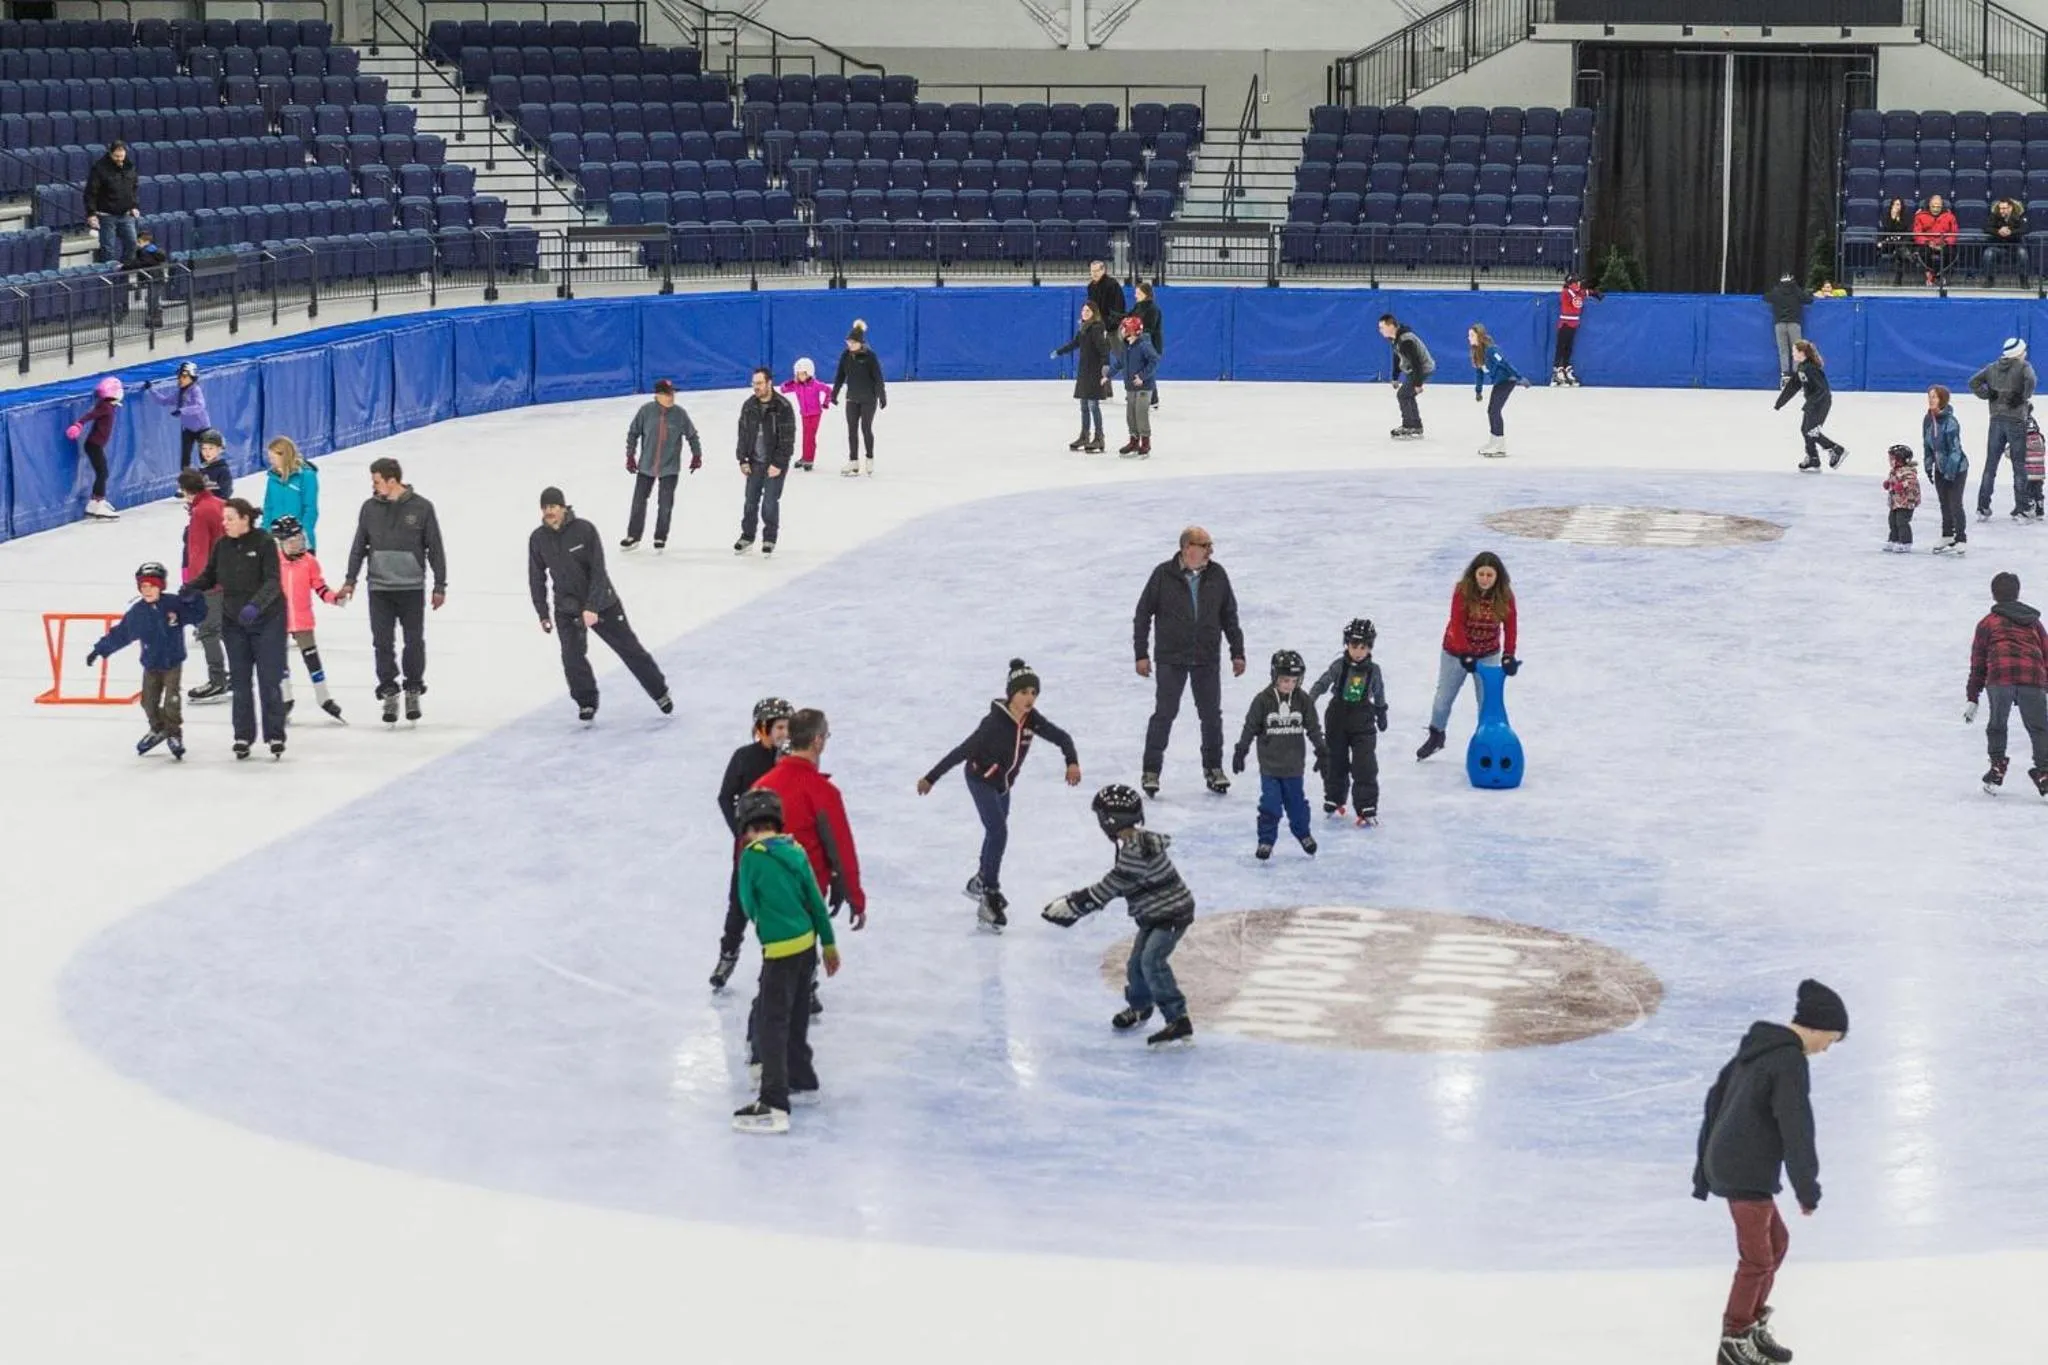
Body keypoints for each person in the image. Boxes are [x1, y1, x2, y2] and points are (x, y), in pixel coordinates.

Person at [1692, 979, 1847, 1365]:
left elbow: (1716, 1100)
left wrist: (1704, 1168)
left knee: (1776, 1244)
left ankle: (1751, 1327)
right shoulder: (1787, 1060)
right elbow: (1796, 1127)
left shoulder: (1759, 1051)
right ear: (1815, 1026)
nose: (1827, 1048)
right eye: (1831, 1039)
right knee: (1757, 1259)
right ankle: (1733, 1339)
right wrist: (1806, 1189)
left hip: (1734, 1161)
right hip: (1745, 1168)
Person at [917, 658, 1082, 931]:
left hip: (1003, 784)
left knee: (995, 832)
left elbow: (1062, 738)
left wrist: (1071, 762)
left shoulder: (1032, 719)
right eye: (1023, 693)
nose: (1030, 699)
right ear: (1011, 694)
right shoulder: (993, 724)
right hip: (980, 779)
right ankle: (989, 894)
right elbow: (962, 750)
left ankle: (982, 879)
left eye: (1034, 693)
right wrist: (931, 778)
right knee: (998, 832)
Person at [1041, 784, 1197, 1049]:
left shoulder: (1136, 852)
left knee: (1151, 962)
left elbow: (1110, 887)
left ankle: (1178, 1019)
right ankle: (1140, 1007)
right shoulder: (1133, 844)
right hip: (1153, 915)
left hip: (1171, 915)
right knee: (1136, 965)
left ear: (1109, 821)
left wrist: (1074, 905)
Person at [728, 788, 841, 1135]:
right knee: (796, 1018)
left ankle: (774, 1102)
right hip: (807, 948)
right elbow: (815, 900)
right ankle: (802, 1079)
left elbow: (746, 903)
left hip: (778, 951)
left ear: (747, 826)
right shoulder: (796, 850)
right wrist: (829, 944)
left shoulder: (751, 857)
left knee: (770, 1024)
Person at [528, 486, 671, 723]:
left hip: (602, 603)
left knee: (630, 649)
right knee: (571, 657)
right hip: (567, 607)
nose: (548, 511)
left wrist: (593, 606)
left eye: (553, 506)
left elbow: (598, 570)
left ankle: (660, 692)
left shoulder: (584, 530)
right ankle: (586, 702)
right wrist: (543, 613)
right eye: (544, 508)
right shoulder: (538, 539)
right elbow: (536, 577)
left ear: (564, 507)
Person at [1133, 525, 1247, 797]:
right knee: (1165, 713)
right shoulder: (1163, 574)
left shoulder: (1217, 574)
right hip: (1171, 658)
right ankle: (1151, 771)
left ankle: (1213, 769)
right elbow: (1142, 614)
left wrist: (1237, 651)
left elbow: (1229, 615)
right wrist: (1141, 654)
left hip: (1206, 657)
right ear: (1187, 548)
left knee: (1211, 716)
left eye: (1210, 544)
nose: (1210, 550)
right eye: (1205, 544)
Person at [334, 457, 448, 726]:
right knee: (382, 642)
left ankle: (413, 688)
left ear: (392, 481)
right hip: (379, 588)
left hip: (411, 587)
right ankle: (388, 690)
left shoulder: (422, 508)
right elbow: (358, 546)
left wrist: (439, 585)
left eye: (376, 481)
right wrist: (350, 580)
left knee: (414, 641)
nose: (373, 486)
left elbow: (436, 548)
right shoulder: (369, 508)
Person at [186, 496, 287, 760]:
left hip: (268, 621)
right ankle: (243, 735)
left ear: (245, 519)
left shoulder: (264, 543)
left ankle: (275, 733)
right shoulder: (222, 546)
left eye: (230, 519)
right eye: (224, 519)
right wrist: (191, 588)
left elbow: (273, 581)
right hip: (234, 623)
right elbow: (211, 575)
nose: (225, 523)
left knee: (269, 680)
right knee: (241, 682)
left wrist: (256, 606)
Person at [755, 708, 868, 936]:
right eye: (825, 736)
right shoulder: (823, 792)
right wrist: (855, 899)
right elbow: (841, 850)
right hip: (803, 895)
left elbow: (745, 846)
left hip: (766, 894)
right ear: (817, 740)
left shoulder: (761, 786)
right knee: (797, 964)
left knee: (778, 957)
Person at [711, 697, 795, 991]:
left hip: (783, 852)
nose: (785, 733)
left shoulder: (793, 761)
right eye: (779, 727)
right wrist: (739, 831)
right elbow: (725, 796)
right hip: (748, 853)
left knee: (780, 911)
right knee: (739, 906)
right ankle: (728, 954)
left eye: (788, 727)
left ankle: (782, 970)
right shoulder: (744, 758)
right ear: (762, 728)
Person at [82, 561, 207, 761]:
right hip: (151, 663)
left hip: (173, 662)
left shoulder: (173, 605)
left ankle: (174, 734)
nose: (147, 591)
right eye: (143, 587)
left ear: (161, 586)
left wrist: (195, 598)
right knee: (148, 702)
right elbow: (121, 634)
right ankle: (158, 728)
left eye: (152, 586)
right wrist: (99, 650)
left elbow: (199, 615)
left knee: (171, 701)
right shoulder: (138, 613)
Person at [1418, 551, 1519, 761]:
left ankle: (1486, 741)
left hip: (1488, 653)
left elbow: (1511, 626)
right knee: (1443, 700)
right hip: (1455, 652)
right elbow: (1456, 622)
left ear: (1497, 576)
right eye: (1481, 574)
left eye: (1489, 575)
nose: (1484, 579)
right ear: (1474, 574)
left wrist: (1508, 655)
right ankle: (1436, 734)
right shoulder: (1462, 591)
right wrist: (1464, 652)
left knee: (1487, 703)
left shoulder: (1505, 596)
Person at [1232, 649, 1326, 862]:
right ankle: (1266, 840)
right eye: (1285, 680)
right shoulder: (1262, 701)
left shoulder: (1303, 701)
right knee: (1270, 805)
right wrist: (1241, 749)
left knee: (1297, 805)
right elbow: (1250, 727)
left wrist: (1322, 749)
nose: (1289, 685)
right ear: (1275, 676)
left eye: (1294, 680)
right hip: (1271, 768)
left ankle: (1303, 834)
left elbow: (1313, 727)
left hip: (1294, 768)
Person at [1965, 570, 2048, 796]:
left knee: (1997, 725)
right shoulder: (2033, 622)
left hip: (2000, 678)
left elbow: (1978, 663)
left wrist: (1973, 697)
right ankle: (2044, 772)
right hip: (2033, 678)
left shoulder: (1987, 623)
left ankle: (1997, 767)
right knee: (2040, 728)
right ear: (2017, 593)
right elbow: (2046, 653)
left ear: (1994, 595)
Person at [1309, 617, 1388, 826]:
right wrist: (1309, 701)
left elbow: (1379, 691)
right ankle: (1334, 797)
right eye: (1354, 646)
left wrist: (1381, 711)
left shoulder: (1374, 670)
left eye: (1363, 647)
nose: (1358, 652)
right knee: (1336, 761)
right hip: (1337, 717)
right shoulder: (1338, 666)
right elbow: (1322, 683)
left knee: (1365, 763)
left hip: (1363, 719)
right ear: (1347, 645)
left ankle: (1366, 805)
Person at [270, 514, 346, 723]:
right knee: (280, 662)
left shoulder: (309, 562)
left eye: (300, 540)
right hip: (278, 620)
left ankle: (324, 697)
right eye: (292, 542)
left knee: (312, 659)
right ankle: (286, 699)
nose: (298, 545)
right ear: (280, 543)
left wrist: (334, 598)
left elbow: (320, 586)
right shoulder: (273, 562)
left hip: (303, 619)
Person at [620, 378, 702, 550]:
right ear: (657, 395)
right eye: (667, 394)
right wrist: (630, 455)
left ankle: (660, 537)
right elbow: (633, 433)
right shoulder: (646, 411)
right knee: (638, 502)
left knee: (665, 504)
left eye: (672, 393)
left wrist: (696, 455)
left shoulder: (679, 414)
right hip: (646, 466)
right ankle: (633, 535)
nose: (671, 397)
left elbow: (692, 435)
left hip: (670, 468)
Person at [175, 468, 230, 703]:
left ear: (187, 491)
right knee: (227, 629)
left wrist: (193, 585)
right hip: (232, 577)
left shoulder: (200, 512)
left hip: (213, 583)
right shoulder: (220, 503)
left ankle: (217, 680)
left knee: (208, 631)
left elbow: (198, 554)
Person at [1970, 337, 2037, 522]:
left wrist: (1987, 394)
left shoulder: (1992, 368)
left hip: (1996, 420)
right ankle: (2022, 509)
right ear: (2018, 353)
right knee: (2019, 466)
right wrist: (2023, 397)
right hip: (2016, 421)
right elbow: (2031, 380)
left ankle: (1982, 507)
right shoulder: (2024, 367)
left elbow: (1973, 382)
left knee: (1990, 466)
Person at [734, 366, 797, 556]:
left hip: (774, 464)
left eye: (760, 383)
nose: (756, 387)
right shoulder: (749, 406)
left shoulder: (783, 407)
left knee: (769, 502)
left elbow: (788, 440)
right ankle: (747, 536)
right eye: (754, 384)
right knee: (750, 502)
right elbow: (743, 434)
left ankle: (769, 538)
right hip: (754, 462)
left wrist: (778, 463)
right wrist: (742, 459)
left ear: (769, 383)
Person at [1774, 340, 1847, 472]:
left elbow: (1822, 390)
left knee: (1811, 431)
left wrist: (1810, 404)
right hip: (1813, 403)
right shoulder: (1802, 367)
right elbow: (1792, 386)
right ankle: (1813, 458)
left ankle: (1836, 449)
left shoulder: (1811, 369)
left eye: (1794, 351)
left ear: (1802, 353)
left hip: (1821, 402)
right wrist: (1780, 403)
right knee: (1805, 430)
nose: (1792, 354)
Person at [1051, 300, 1112, 453]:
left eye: (1088, 311)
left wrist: (1105, 365)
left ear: (1094, 313)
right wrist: (1059, 351)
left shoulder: (1097, 328)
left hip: (1094, 371)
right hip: (1084, 371)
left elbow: (1104, 349)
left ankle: (1099, 437)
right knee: (1084, 405)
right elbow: (1074, 343)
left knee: (1093, 405)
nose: (1085, 313)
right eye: (1083, 311)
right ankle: (1084, 435)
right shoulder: (1084, 328)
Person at [829, 319, 886, 477]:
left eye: (853, 342)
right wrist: (834, 394)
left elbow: (878, 377)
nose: (850, 345)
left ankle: (869, 458)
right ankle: (853, 462)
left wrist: (882, 395)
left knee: (866, 429)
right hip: (852, 399)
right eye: (848, 342)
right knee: (851, 430)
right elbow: (840, 376)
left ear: (860, 342)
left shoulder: (870, 356)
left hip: (868, 399)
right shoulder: (846, 355)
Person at [1924, 384, 1972, 555]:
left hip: (1957, 468)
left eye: (1934, 397)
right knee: (1944, 503)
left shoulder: (1951, 422)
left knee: (1955, 503)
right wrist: (1928, 464)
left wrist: (1950, 472)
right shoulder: (1928, 419)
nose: (1931, 400)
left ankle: (1960, 538)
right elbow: (1928, 445)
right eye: (1929, 396)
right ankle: (1947, 535)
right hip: (1940, 468)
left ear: (1942, 400)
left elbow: (1955, 450)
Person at [66, 376, 123, 520]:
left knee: (102, 472)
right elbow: (90, 415)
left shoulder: (109, 405)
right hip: (94, 445)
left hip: (95, 445)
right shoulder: (105, 406)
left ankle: (95, 502)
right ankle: (97, 503)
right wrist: (79, 424)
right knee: (103, 473)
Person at [1470, 323, 1528, 458]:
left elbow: (1504, 363)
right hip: (1499, 382)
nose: (1469, 338)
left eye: (1472, 335)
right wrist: (1478, 391)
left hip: (1508, 380)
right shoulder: (1476, 352)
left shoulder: (1491, 350)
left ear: (1480, 336)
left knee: (1494, 410)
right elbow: (1479, 373)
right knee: (1492, 410)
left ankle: (1500, 445)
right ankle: (1494, 441)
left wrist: (1520, 377)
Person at [1107, 313, 1160, 458]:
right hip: (1130, 387)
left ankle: (1145, 442)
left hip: (1144, 387)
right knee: (1130, 415)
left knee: (1141, 413)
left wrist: (1142, 376)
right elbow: (1119, 363)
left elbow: (1154, 360)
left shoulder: (1144, 345)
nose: (1122, 332)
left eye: (1125, 329)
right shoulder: (1126, 347)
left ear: (1133, 330)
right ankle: (1133, 440)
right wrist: (1107, 376)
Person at [144, 361, 211, 469]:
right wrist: (151, 389)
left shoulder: (195, 390)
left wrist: (182, 411)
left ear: (192, 377)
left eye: (184, 376)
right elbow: (164, 401)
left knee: (205, 457)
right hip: (188, 429)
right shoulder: (179, 392)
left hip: (202, 429)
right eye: (179, 376)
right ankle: (186, 481)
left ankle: (211, 479)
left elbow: (200, 406)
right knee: (185, 459)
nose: (180, 379)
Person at [83, 139, 140, 266]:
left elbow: (134, 188)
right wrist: (91, 214)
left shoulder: (129, 167)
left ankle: (125, 271)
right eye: (116, 156)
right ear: (110, 153)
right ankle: (110, 276)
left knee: (132, 243)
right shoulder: (99, 168)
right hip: (106, 215)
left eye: (122, 156)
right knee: (108, 248)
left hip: (126, 214)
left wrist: (134, 205)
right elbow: (90, 192)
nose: (120, 159)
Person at [260, 436, 320, 550]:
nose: (270, 461)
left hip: (299, 540)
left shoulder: (307, 476)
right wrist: (265, 532)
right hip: (277, 540)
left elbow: (310, 510)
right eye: (269, 457)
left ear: (284, 455)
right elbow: (268, 507)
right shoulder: (272, 478)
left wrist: (301, 535)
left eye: (273, 457)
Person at [1380, 313, 1434, 439]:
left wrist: (1418, 383)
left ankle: (1409, 426)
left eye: (1382, 327)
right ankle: (1416, 426)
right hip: (1415, 370)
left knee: (1403, 394)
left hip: (1421, 369)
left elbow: (1416, 362)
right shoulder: (1396, 339)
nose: (1380, 330)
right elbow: (1397, 357)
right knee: (1407, 395)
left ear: (1391, 326)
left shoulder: (1405, 340)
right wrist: (1395, 377)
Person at [779, 358, 832, 472]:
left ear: (809, 373)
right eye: (798, 374)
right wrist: (791, 382)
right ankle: (804, 457)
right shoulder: (797, 385)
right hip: (805, 414)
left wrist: (826, 403)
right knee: (805, 435)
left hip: (815, 414)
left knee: (810, 436)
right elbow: (783, 389)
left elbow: (829, 390)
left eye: (803, 374)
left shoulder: (816, 384)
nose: (800, 376)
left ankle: (809, 459)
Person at [1552, 272, 1598, 385]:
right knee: (1561, 347)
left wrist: (1594, 293)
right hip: (1565, 324)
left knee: (1569, 348)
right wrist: (1574, 287)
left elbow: (1586, 293)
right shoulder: (1566, 293)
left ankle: (1567, 369)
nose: (1579, 284)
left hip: (1574, 325)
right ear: (1572, 284)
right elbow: (1573, 292)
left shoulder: (1579, 293)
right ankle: (1557, 371)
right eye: (1577, 282)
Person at [1761, 273, 1807, 384]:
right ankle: (1796, 373)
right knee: (1797, 349)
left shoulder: (1776, 292)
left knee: (1783, 350)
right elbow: (1808, 299)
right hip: (1794, 323)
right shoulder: (1796, 292)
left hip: (1780, 324)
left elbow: (1765, 297)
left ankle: (1785, 374)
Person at [1882, 443, 1921, 553]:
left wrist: (1902, 485)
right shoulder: (1894, 471)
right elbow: (1893, 480)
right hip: (1896, 502)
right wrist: (1888, 483)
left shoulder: (1908, 471)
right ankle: (1894, 539)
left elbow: (1911, 482)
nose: (1890, 461)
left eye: (1892, 458)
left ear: (1900, 459)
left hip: (1906, 502)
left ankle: (1905, 542)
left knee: (1902, 522)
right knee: (1892, 521)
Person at [1913, 193, 1958, 285]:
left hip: (1943, 244)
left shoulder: (1950, 216)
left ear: (1942, 206)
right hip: (1927, 244)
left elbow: (1954, 233)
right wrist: (1928, 242)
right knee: (1923, 253)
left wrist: (1944, 242)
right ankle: (1931, 274)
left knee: (1951, 253)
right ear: (1929, 205)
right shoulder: (1920, 216)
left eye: (1938, 206)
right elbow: (1917, 233)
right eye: (1933, 206)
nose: (1936, 209)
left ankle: (1939, 275)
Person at [1983, 198, 2030, 287]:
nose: (2001, 211)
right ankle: (1989, 279)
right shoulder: (1994, 215)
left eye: (2004, 208)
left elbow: (2025, 228)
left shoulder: (2019, 215)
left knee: (2023, 253)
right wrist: (1998, 231)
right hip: (1999, 247)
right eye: (2000, 208)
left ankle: (2024, 280)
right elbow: (1986, 228)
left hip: (2015, 246)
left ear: (2010, 208)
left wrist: (2010, 232)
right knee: (1988, 253)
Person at [1132, 280, 1163, 409]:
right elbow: (1129, 317)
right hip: (1139, 342)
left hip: (1151, 344)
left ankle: (1152, 400)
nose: (1135, 295)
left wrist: (1136, 333)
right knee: (1141, 369)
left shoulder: (1153, 309)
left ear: (1145, 294)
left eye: (1138, 293)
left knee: (1147, 370)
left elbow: (1149, 329)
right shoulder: (1138, 306)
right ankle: (1149, 398)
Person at [1877, 197, 1913, 285]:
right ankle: (1908, 255)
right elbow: (1887, 231)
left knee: (1899, 251)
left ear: (1902, 206)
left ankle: (1898, 278)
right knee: (1899, 249)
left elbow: (1908, 232)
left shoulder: (1907, 217)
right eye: (1894, 204)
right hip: (1889, 243)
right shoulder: (1886, 216)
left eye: (1898, 204)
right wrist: (1893, 219)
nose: (1896, 207)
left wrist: (1903, 242)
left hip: (1901, 243)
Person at [195, 427, 234, 500]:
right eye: (204, 448)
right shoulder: (202, 469)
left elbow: (226, 494)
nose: (207, 452)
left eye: (211, 448)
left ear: (220, 449)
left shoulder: (223, 470)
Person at [1086, 259, 1126, 331]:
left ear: (1103, 270)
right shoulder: (1090, 287)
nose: (1094, 273)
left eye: (1097, 271)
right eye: (1092, 271)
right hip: (1096, 326)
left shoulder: (1112, 285)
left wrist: (1110, 324)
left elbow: (1118, 307)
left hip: (1110, 327)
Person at [2026, 403, 2047, 519]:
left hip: (2028, 470)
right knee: (2038, 489)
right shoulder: (2039, 435)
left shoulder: (2022, 423)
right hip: (2039, 470)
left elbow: (2019, 448)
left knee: (2027, 489)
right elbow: (2042, 449)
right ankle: (2040, 507)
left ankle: (2029, 506)